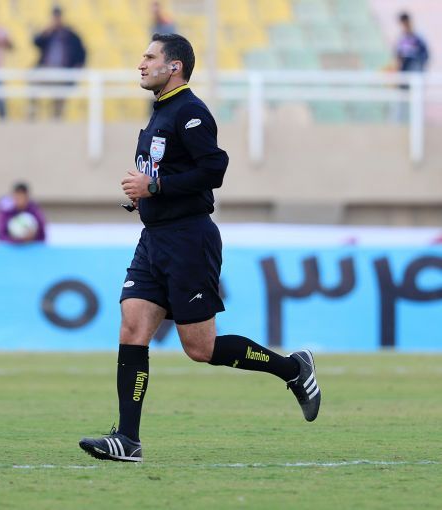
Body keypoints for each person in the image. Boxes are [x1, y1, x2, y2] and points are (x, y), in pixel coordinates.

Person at [78, 34, 321, 463]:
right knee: (132, 328)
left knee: (200, 348)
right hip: (154, 239)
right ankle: (128, 439)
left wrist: (156, 187)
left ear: (174, 66)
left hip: (188, 239)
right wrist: (144, 196)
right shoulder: (160, 112)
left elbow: (214, 169)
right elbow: (164, 171)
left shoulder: (190, 111)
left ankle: (293, 368)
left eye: (150, 57)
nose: (141, 64)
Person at [30, 6, 86, 120]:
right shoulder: (48, 33)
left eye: (58, 16)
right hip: (46, 69)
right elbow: (35, 42)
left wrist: (76, 69)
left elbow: (82, 52)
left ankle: (57, 120)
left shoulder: (70, 34)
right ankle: (32, 116)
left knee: (59, 97)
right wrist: (46, 31)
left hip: (63, 71)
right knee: (32, 84)